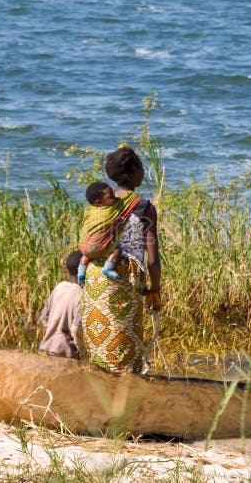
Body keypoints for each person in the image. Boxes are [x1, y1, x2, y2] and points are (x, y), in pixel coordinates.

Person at [80, 145, 162, 373]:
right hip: (124, 280)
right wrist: (155, 290)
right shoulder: (143, 207)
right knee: (125, 352)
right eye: (141, 166)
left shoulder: (96, 204)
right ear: (134, 171)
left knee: (100, 352)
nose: (143, 172)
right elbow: (153, 259)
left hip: (95, 279)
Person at [78, 181, 139, 283]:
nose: (115, 198)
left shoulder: (89, 211)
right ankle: (108, 267)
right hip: (97, 247)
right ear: (98, 202)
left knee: (86, 256)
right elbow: (126, 204)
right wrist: (131, 196)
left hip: (84, 246)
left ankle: (81, 273)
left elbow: (85, 225)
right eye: (111, 197)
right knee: (117, 250)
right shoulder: (110, 211)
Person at [39, 250, 86, 359]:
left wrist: (51, 334)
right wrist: (84, 355)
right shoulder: (81, 295)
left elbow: (44, 317)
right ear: (81, 269)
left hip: (45, 349)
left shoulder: (59, 287)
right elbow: (76, 330)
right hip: (64, 354)